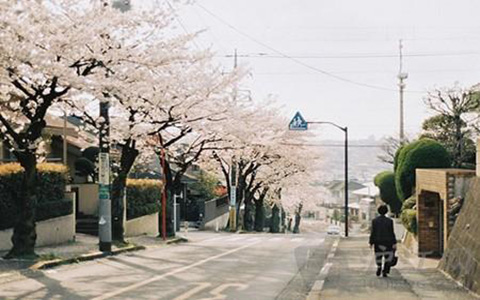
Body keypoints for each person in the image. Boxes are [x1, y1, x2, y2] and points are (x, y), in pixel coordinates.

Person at [369, 205, 397, 277]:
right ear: (386, 211)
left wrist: (371, 242)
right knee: (388, 257)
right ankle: (385, 271)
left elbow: (373, 232)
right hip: (388, 242)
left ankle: (379, 266)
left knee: (378, 255)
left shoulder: (375, 221)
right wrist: (394, 242)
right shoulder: (389, 221)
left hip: (378, 241)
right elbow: (391, 232)